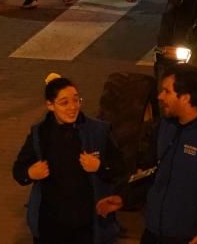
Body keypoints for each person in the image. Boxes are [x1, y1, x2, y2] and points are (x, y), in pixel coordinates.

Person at [99, 64, 197, 244]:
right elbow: (153, 174)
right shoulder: (165, 127)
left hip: (189, 239)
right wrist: (125, 198)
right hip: (154, 234)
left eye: (167, 91)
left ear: (185, 97)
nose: (159, 96)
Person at [12, 73, 120, 244]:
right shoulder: (40, 134)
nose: (72, 107)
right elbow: (18, 171)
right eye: (64, 103)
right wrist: (30, 173)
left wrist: (100, 166)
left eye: (76, 100)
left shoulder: (98, 131)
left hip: (87, 227)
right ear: (50, 105)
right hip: (50, 227)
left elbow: (120, 169)